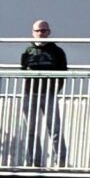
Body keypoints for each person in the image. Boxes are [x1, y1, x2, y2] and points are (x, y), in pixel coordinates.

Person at [20, 18, 68, 166]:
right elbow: (22, 70)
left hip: (49, 95)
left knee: (54, 128)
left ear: (49, 32)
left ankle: (60, 160)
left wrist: (54, 89)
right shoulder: (27, 51)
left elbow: (63, 72)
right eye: (38, 31)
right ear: (33, 33)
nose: (41, 33)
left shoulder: (57, 51)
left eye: (43, 30)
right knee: (30, 129)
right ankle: (34, 161)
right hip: (30, 94)